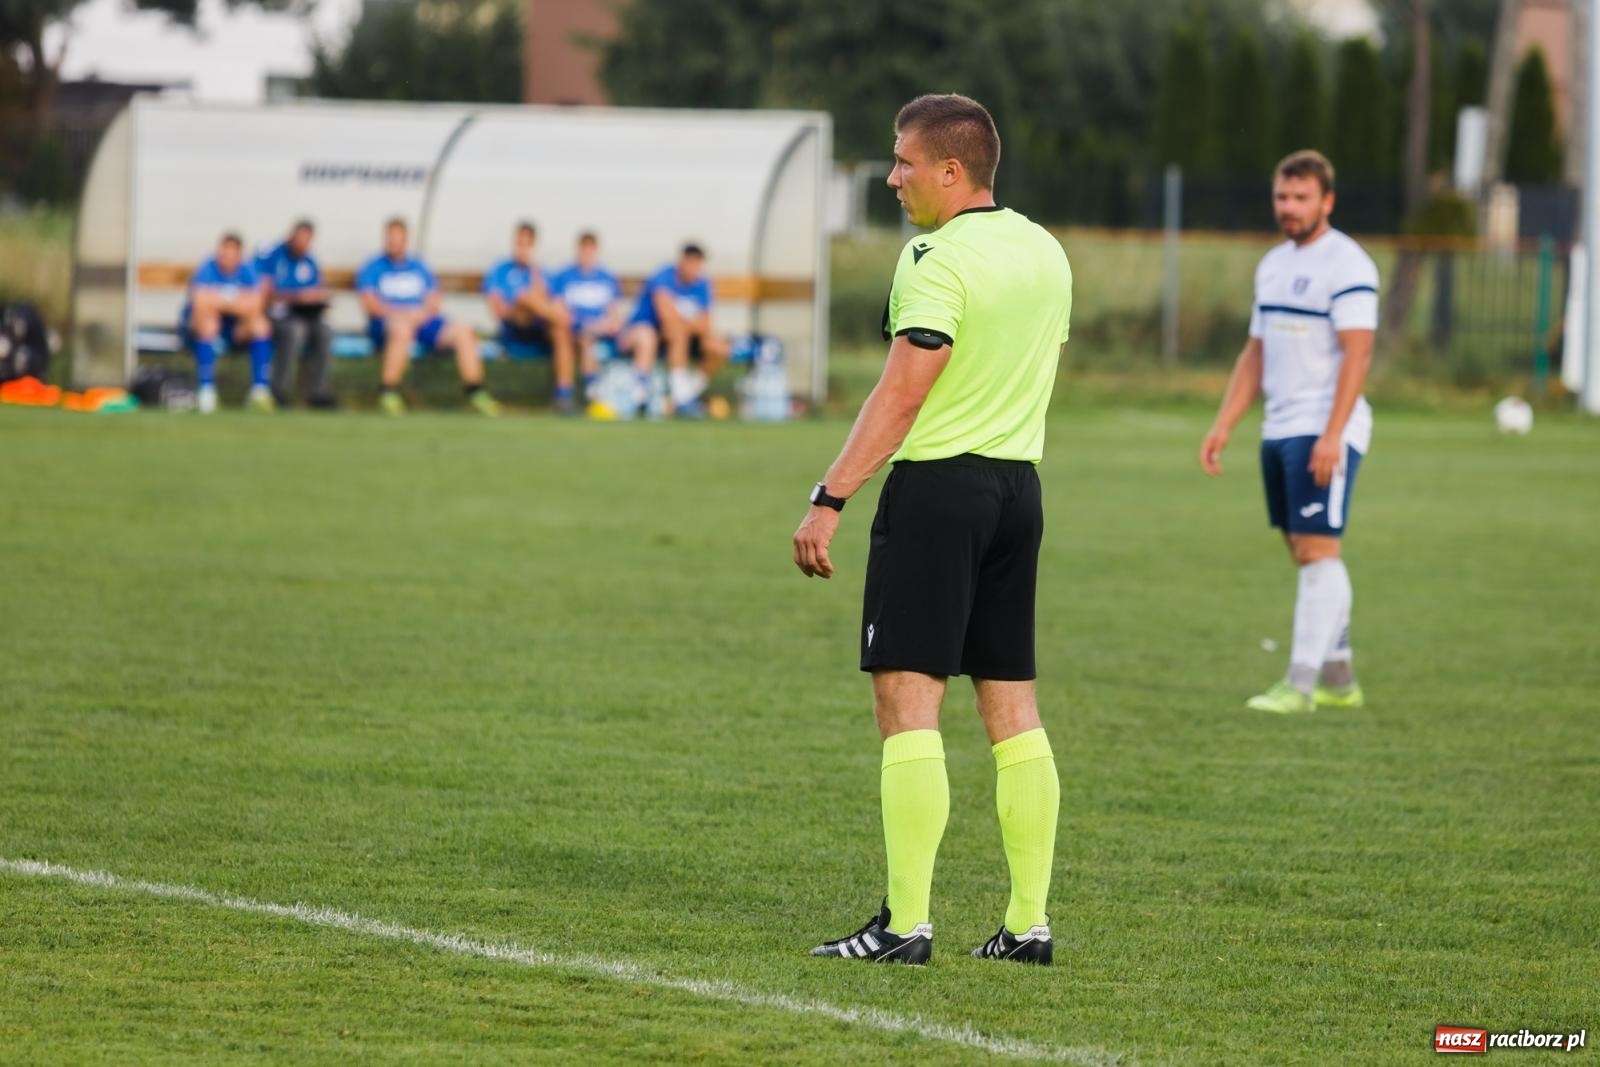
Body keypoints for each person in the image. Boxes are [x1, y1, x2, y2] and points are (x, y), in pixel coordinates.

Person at [791, 94, 1073, 966]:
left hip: (940, 492)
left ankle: (905, 923)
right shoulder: (1045, 249)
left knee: (907, 702)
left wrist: (830, 495)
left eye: (905, 163)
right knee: (1013, 706)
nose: (893, 177)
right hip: (1017, 492)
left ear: (953, 171)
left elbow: (903, 391)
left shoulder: (933, 256)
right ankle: (1028, 923)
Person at [1199, 150, 1377, 715]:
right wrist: (1225, 422)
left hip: (1323, 425)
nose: (1290, 207)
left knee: (1319, 550)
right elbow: (1257, 351)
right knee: (1305, 552)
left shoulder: (1348, 264)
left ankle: (1300, 685)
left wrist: (1333, 433)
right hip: (1279, 427)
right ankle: (1341, 677)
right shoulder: (1273, 264)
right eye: (1282, 196)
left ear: (1327, 201)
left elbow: (1359, 354)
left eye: (1302, 198)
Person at [356, 217, 500, 416]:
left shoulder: (418, 266)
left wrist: (419, 314)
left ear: (406, 240)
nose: (394, 242)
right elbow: (370, 305)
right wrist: (403, 314)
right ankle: (389, 391)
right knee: (401, 329)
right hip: (389, 323)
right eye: (390, 238)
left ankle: (475, 390)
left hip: (423, 321)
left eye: (398, 238)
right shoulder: (373, 267)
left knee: (463, 331)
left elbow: (434, 300)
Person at [621, 243, 730, 417]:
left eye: (698, 265)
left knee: (719, 348)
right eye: (691, 264)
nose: (695, 269)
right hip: (649, 331)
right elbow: (666, 317)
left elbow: (706, 325)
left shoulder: (702, 284)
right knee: (674, 333)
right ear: (682, 261)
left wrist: (686, 323)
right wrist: (691, 322)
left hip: (683, 336)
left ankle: (686, 395)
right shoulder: (663, 277)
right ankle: (647, 397)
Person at [483, 221, 579, 414]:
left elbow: (552, 300)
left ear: (533, 246)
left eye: (527, 244)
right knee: (524, 297)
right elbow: (499, 311)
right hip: (513, 328)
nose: (522, 249)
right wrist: (530, 305)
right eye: (519, 243)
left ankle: (563, 393)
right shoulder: (500, 270)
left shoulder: (542, 273)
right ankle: (569, 323)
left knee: (560, 331)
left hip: (539, 329)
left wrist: (534, 272)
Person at [182, 232, 274, 414]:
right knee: (207, 322)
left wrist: (218, 299)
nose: (226, 257)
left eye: (232, 253)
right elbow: (199, 302)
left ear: (239, 255)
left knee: (260, 325)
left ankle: (259, 392)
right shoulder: (208, 267)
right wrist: (237, 301)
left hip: (236, 330)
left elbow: (256, 305)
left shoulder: (247, 270)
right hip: (208, 328)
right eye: (224, 252)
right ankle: (206, 391)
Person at [257, 219, 334, 409]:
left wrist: (318, 298)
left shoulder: (309, 261)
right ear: (291, 236)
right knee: (295, 331)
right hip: (278, 316)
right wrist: (297, 297)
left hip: (306, 316)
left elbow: (317, 289)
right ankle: (280, 392)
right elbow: (265, 292)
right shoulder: (273, 256)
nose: (303, 245)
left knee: (325, 332)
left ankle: (318, 393)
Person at [550, 231, 624, 406]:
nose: (587, 254)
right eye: (584, 249)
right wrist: (580, 326)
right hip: (573, 332)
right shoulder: (564, 276)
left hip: (600, 335)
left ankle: (593, 394)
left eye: (590, 250)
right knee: (575, 336)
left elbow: (615, 320)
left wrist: (596, 328)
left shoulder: (607, 278)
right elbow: (558, 310)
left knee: (590, 339)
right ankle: (568, 393)